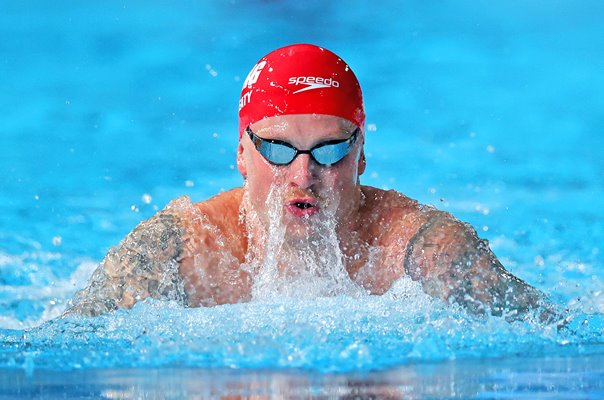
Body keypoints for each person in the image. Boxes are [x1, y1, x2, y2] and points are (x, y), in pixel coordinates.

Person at [64, 44, 560, 323]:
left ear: (362, 154)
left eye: (331, 150)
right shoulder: (184, 250)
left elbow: (554, 334)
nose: (304, 176)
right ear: (241, 153)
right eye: (278, 150)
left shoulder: (417, 250)